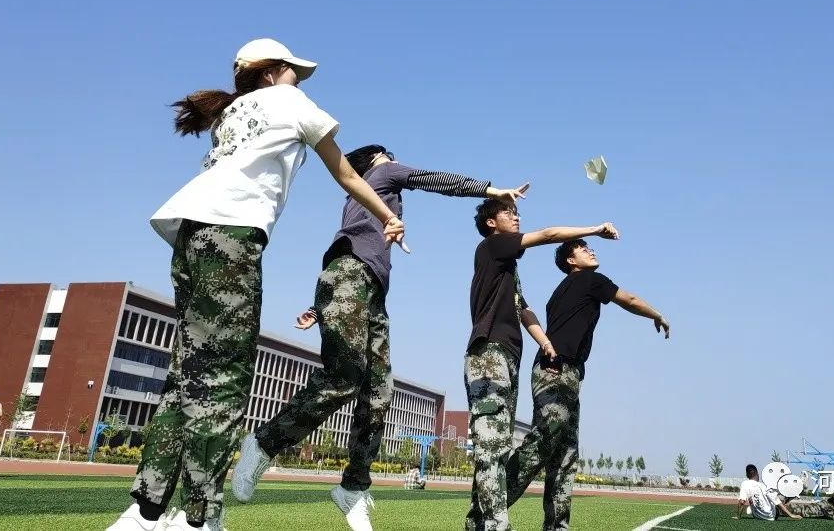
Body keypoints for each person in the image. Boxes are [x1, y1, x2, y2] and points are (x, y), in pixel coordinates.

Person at [107, 39, 405, 531]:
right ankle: (200, 520)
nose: (300, 81)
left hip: (188, 234)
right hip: (231, 236)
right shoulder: (289, 101)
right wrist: (389, 216)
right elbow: (348, 174)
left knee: (186, 378)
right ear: (272, 72)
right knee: (222, 378)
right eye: (293, 72)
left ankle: (145, 513)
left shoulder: (233, 110)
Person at [232, 144, 526, 531]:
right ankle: (265, 442)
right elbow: (432, 179)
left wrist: (320, 307)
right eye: (389, 153)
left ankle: (352, 487)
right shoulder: (382, 175)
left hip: (368, 291)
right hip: (350, 278)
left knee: (379, 393)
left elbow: (351, 262)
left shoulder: (373, 198)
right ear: (375, 160)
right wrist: (491, 190)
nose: (395, 159)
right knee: (344, 376)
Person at [464, 200, 619, 531]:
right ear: (492, 223)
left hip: (509, 358)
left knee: (498, 446)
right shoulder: (491, 247)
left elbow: (524, 310)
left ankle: (478, 522)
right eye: (508, 213)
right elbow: (549, 234)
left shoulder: (507, 270)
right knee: (491, 446)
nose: (516, 216)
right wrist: (595, 228)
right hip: (488, 354)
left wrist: (546, 343)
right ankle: (492, 525)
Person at [505, 239, 670, 530]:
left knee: (565, 454)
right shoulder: (590, 280)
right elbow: (628, 299)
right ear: (571, 262)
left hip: (567, 372)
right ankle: (490, 504)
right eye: (583, 249)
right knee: (544, 440)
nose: (591, 251)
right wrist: (656, 314)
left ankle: (557, 527)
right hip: (555, 369)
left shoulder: (561, 291)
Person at [737, 464, 804, 520]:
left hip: (757, 517)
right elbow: (777, 502)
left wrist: (738, 516)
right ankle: (796, 489)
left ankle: (752, 509)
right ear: (757, 473)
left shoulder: (744, 484)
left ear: (747, 475)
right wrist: (791, 515)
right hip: (772, 516)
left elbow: (742, 502)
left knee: (772, 495)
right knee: (780, 498)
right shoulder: (763, 486)